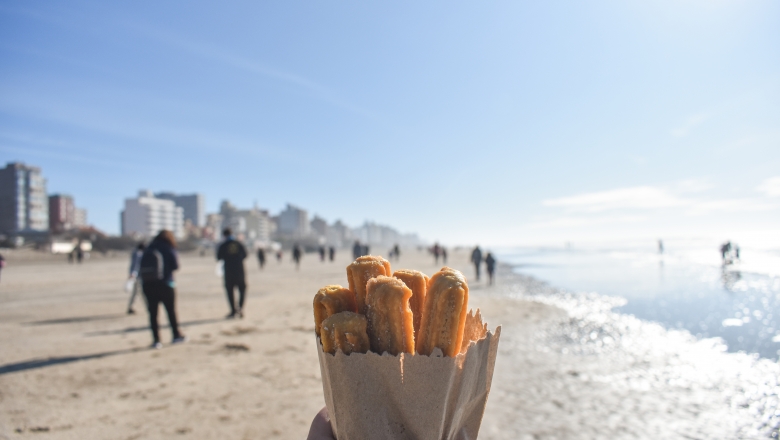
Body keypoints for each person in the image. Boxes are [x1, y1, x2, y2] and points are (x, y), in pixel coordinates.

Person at [139, 230, 185, 349]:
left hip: (148, 284)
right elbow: (175, 265)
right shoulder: (168, 247)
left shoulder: (149, 247)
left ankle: (156, 340)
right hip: (166, 283)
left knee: (153, 313)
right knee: (170, 311)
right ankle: (176, 335)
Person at [217, 228, 248, 319]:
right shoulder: (238, 244)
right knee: (242, 290)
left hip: (228, 272)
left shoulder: (223, 245)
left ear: (224, 235)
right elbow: (245, 255)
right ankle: (240, 307)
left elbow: (218, 257)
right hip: (240, 271)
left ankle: (233, 311)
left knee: (230, 292)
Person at [127, 243, 145, 314]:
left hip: (136, 275)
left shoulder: (135, 253)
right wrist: (133, 273)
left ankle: (131, 307)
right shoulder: (139, 254)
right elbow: (136, 265)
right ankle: (131, 307)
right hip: (138, 276)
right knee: (139, 292)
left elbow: (133, 265)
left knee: (136, 292)